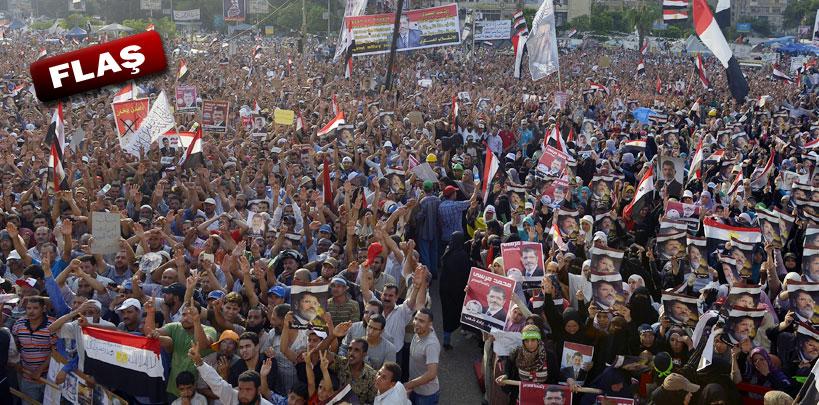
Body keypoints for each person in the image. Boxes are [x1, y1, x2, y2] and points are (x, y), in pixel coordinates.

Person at [190, 343, 274, 405]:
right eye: (240, 389)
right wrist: (199, 361)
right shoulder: (232, 396)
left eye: (248, 390)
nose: (243, 394)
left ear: (258, 390)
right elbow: (215, 381)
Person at [11, 296, 57, 404]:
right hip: (27, 376)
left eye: (35, 308)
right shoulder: (18, 324)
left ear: (43, 309)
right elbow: (14, 346)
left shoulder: (53, 325)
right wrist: (16, 362)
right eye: (28, 308)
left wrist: (40, 370)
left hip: (49, 377)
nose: (31, 311)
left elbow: (56, 351)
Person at [406, 308, 440, 404]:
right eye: (416, 318)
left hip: (426, 396)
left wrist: (409, 384)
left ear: (430, 324)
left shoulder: (431, 345)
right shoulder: (419, 331)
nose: (416, 323)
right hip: (414, 389)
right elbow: (420, 303)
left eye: (421, 321)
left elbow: (431, 374)